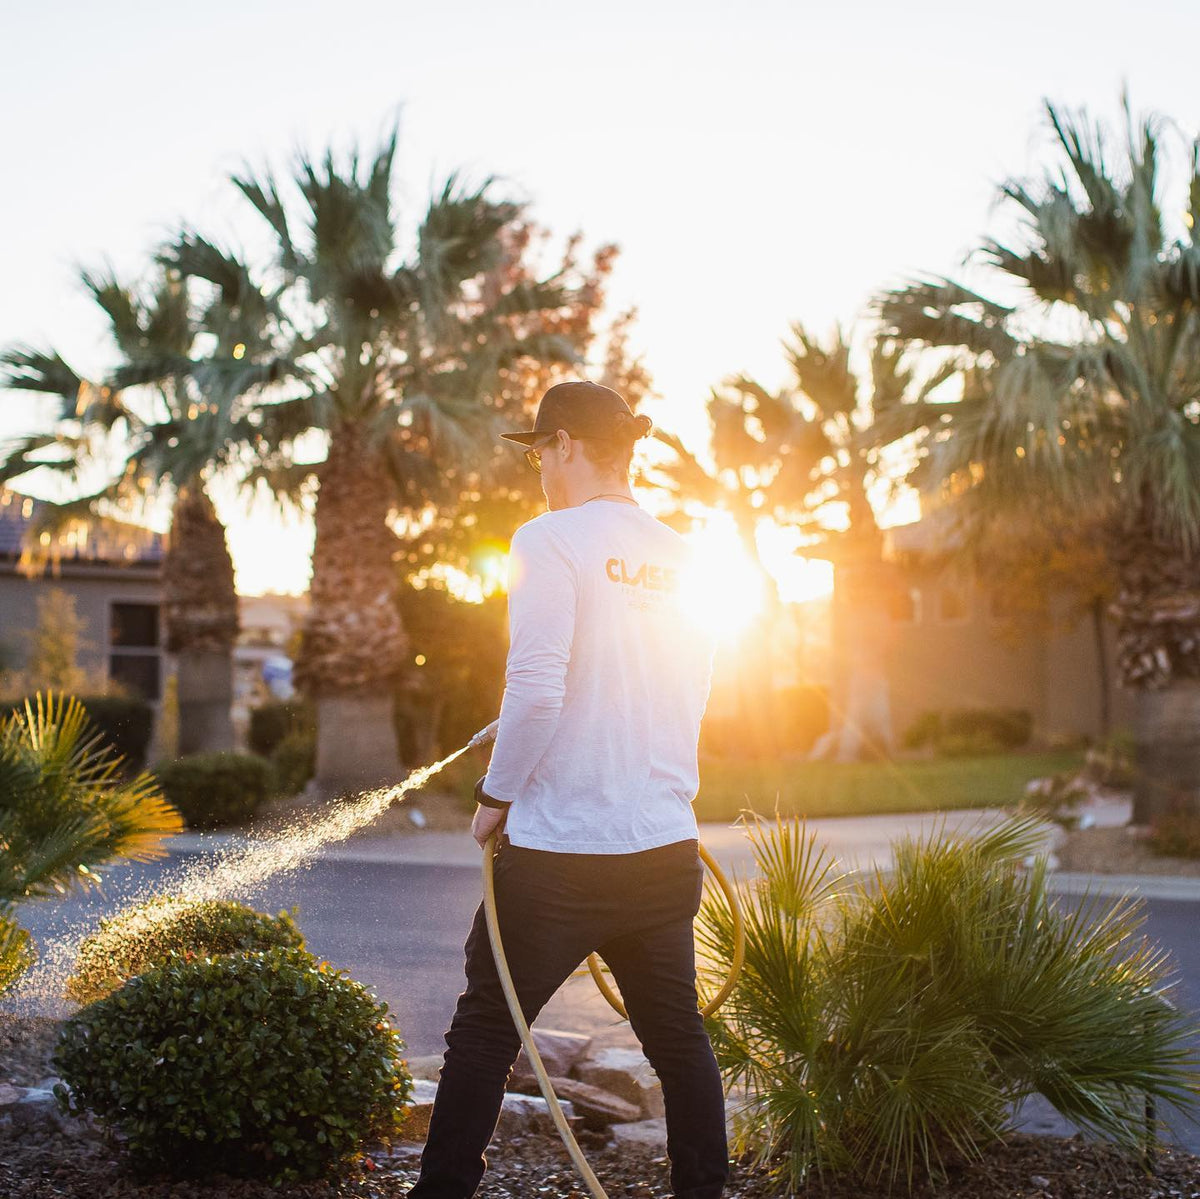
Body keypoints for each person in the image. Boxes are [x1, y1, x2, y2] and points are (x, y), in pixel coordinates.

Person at [406, 380, 728, 1199]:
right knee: (680, 1042)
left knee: (484, 1033)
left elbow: (541, 685)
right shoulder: (687, 556)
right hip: (661, 847)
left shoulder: (549, 539)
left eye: (537, 453)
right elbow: (675, 692)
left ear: (566, 447)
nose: (536, 471)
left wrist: (495, 796)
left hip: (557, 854)